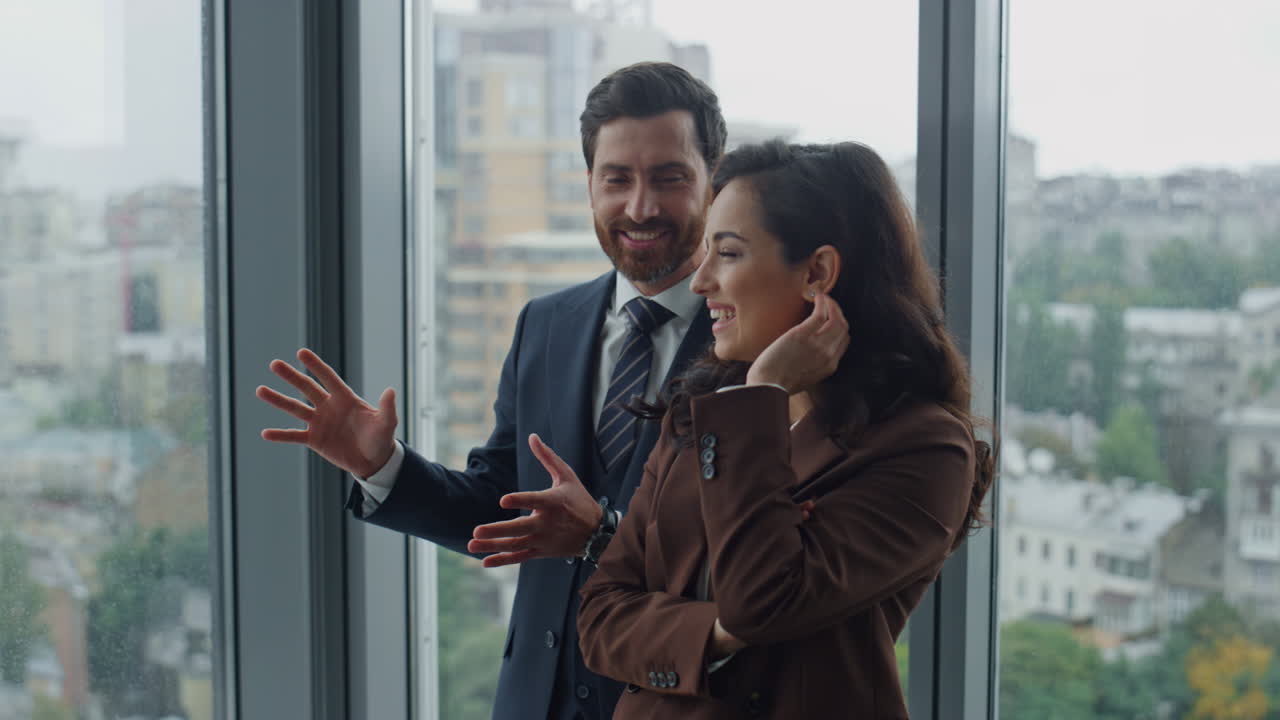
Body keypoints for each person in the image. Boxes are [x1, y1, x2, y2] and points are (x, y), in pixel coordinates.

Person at [255, 62, 726, 720]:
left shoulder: (757, 345)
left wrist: (604, 535)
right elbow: (504, 508)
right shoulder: (547, 324)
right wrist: (382, 467)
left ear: (714, 181)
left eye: (669, 178)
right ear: (589, 185)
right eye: (616, 179)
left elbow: (755, 562)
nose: (640, 207)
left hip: (686, 704)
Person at [568, 140, 998, 719]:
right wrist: (711, 636)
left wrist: (764, 391)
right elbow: (599, 617)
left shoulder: (926, 449)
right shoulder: (700, 414)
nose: (701, 282)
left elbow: (759, 602)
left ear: (817, 272)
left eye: (729, 254)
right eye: (707, 252)